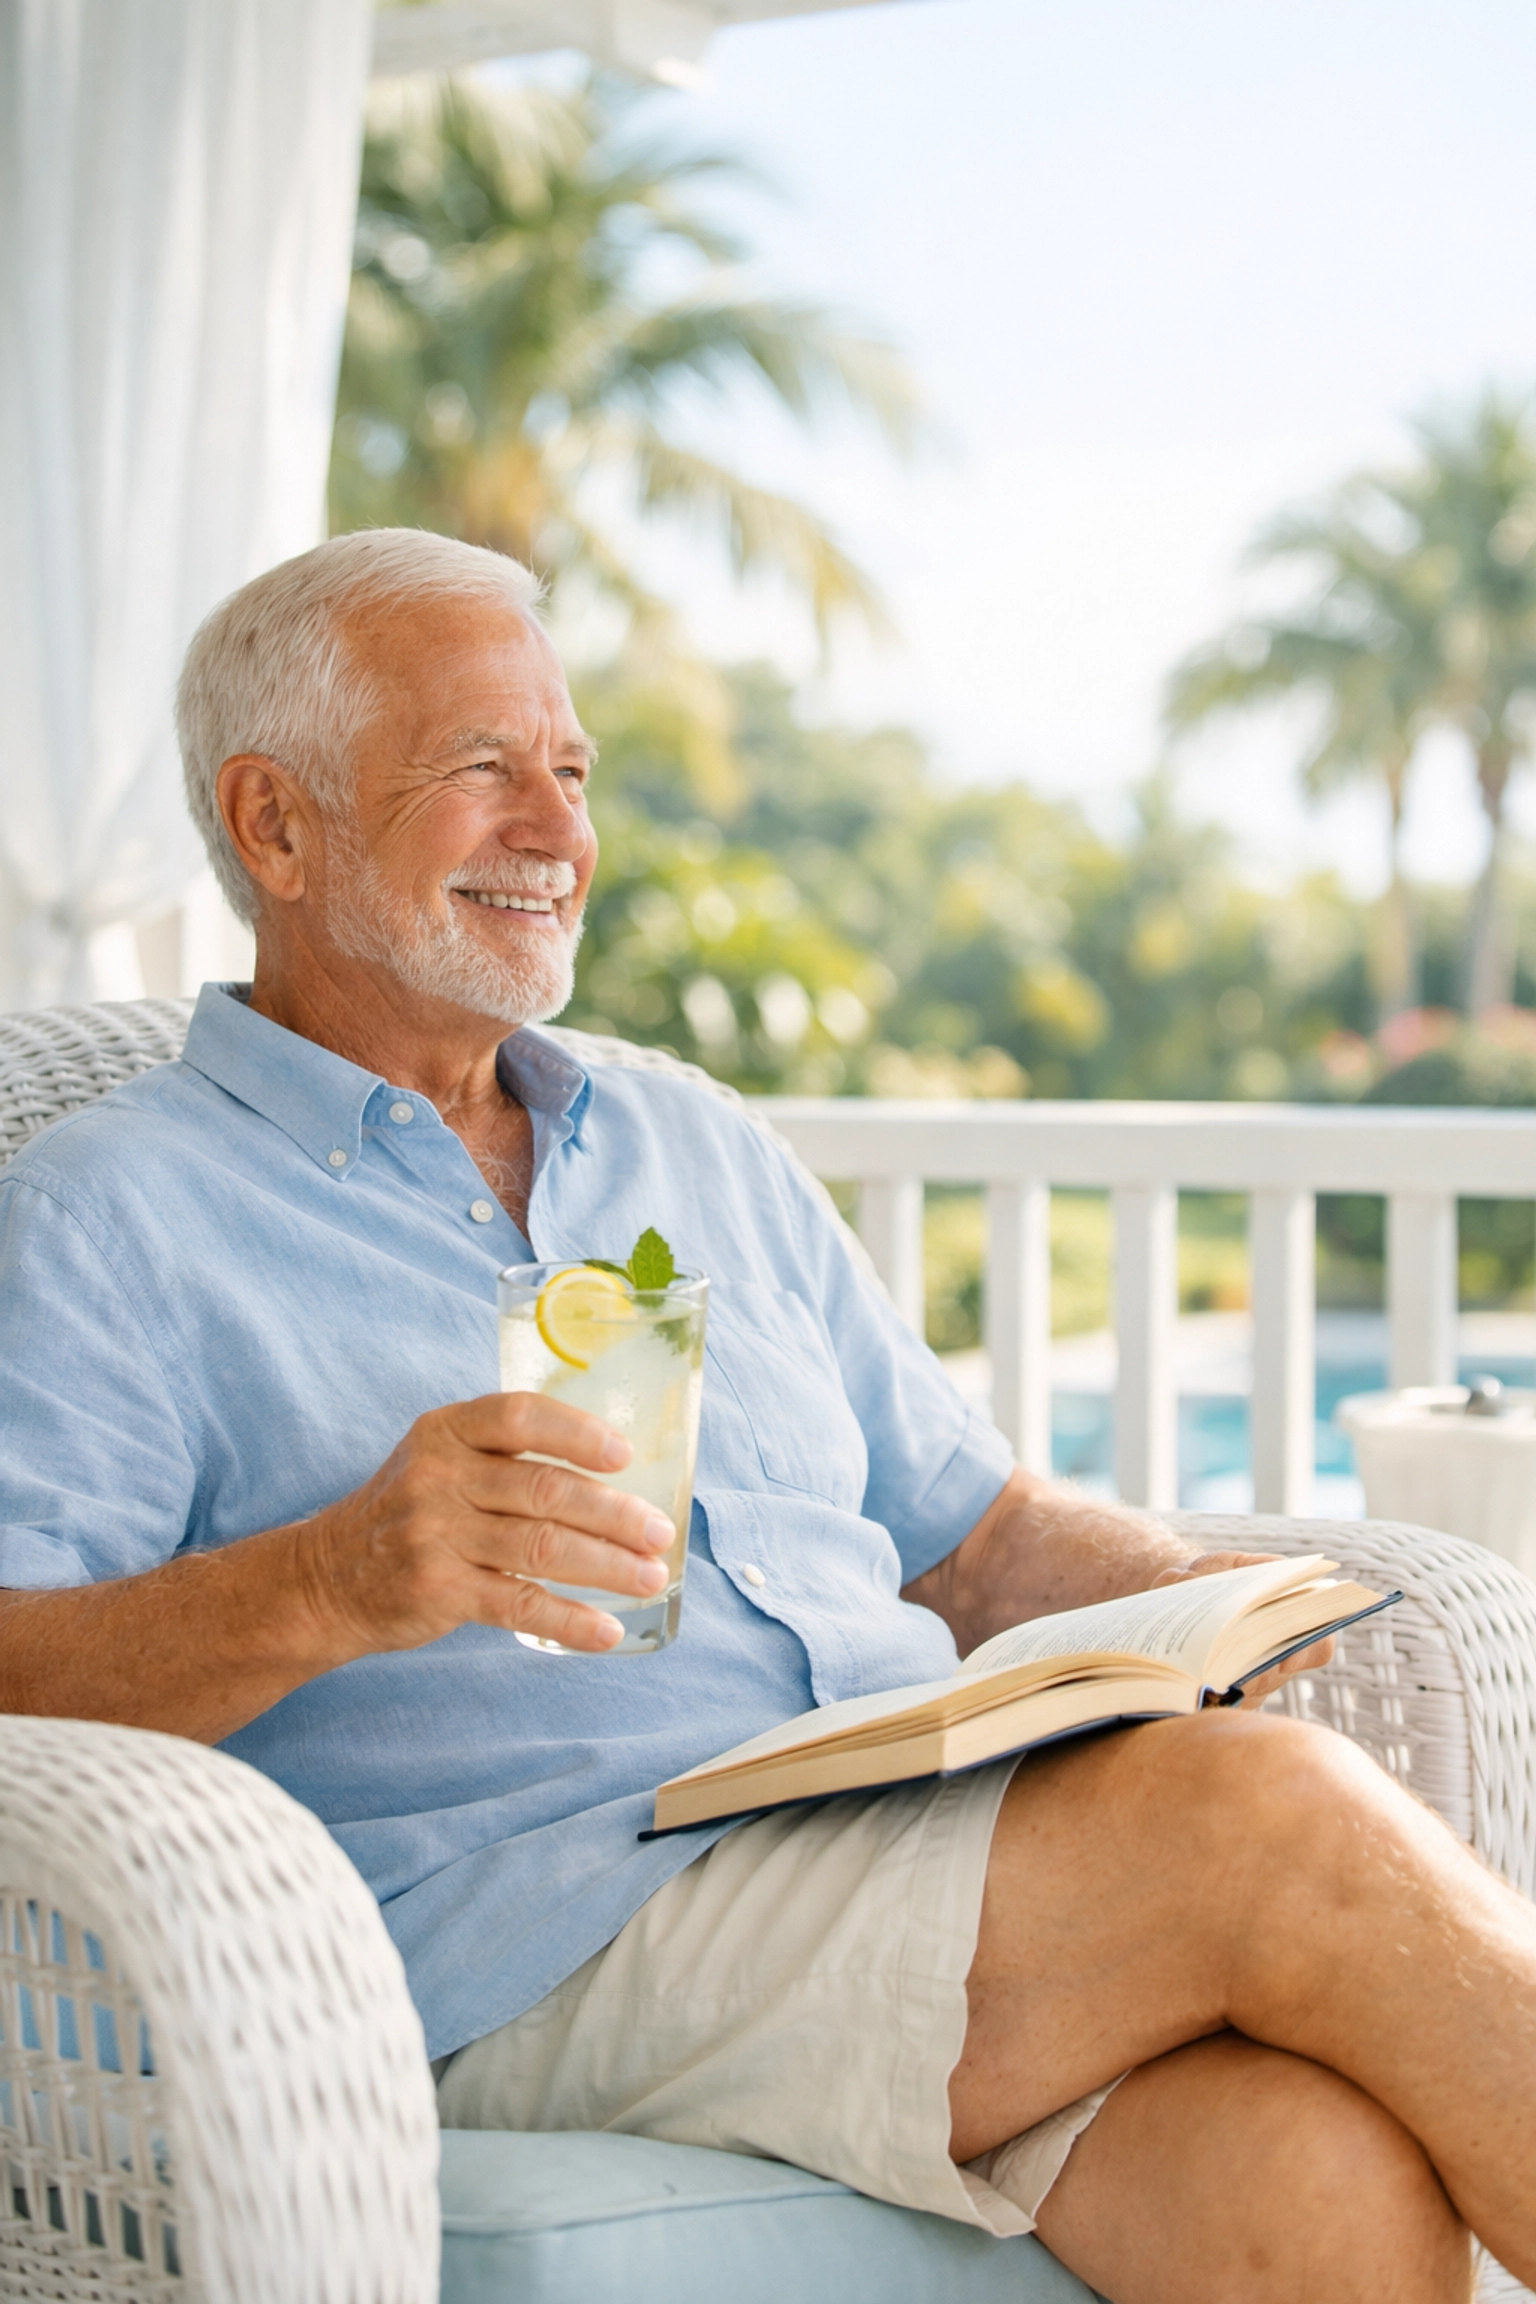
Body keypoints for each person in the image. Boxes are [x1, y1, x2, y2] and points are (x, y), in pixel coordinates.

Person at [0, 530, 1528, 2304]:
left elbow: (981, 1537)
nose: (556, 830)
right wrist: (337, 1579)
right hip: (537, 1925)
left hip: (904, 1831)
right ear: (274, 825)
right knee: (1263, 1824)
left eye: (569, 772)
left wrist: (1207, 1605)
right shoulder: (111, 1213)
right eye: (481, 768)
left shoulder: (682, 1135)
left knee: (1310, 2186)